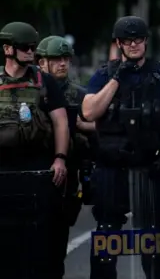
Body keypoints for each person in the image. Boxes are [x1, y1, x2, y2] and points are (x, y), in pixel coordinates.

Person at [82, 16, 160, 279]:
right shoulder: (105, 75)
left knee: (151, 238)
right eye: (128, 40)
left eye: (138, 39)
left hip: (147, 167)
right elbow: (90, 112)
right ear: (118, 44)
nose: (134, 44)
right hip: (110, 168)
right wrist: (118, 77)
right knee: (107, 236)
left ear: (146, 41)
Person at [0, 22, 70, 279]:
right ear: (8, 49)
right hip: (4, 173)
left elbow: (60, 122)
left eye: (33, 47)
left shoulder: (45, 82)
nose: (32, 52)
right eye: (25, 47)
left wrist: (60, 158)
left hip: (38, 171)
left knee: (41, 247)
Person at [37, 34, 97, 279]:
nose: (62, 63)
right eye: (56, 59)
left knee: (56, 246)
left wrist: (83, 126)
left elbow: (101, 129)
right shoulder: (31, 91)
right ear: (42, 62)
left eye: (65, 59)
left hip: (67, 175)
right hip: (34, 170)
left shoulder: (80, 95)